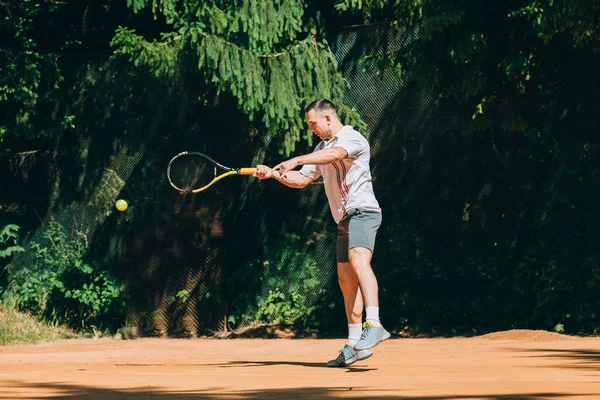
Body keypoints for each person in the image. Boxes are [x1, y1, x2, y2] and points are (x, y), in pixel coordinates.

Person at [253, 99, 389, 367]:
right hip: (343, 219)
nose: (311, 128)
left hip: (363, 211)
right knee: (345, 279)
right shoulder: (319, 149)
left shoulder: (352, 138)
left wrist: (295, 159)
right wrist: (273, 174)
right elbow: (303, 180)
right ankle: (354, 346)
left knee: (358, 259)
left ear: (328, 118)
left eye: (312, 123)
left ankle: (374, 324)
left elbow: (335, 155)